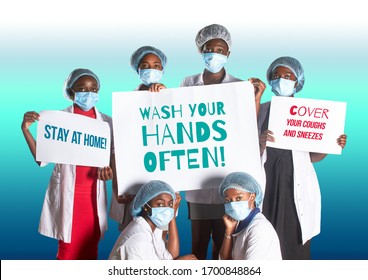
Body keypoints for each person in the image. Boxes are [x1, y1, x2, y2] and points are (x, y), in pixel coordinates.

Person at [180, 23, 266, 260]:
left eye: (220, 49)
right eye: (209, 48)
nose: (214, 53)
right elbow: (176, 122)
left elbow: (247, 126)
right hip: (196, 182)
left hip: (226, 181)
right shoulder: (187, 83)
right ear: (201, 50)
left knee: (222, 241)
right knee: (197, 242)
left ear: (228, 54)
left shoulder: (239, 86)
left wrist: (256, 99)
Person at [258, 56, 348, 259]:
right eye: (276, 75)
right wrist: (259, 141)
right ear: (270, 80)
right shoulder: (260, 111)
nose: (282, 79)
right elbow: (246, 151)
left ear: (297, 82)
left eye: (288, 75)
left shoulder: (308, 114)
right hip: (267, 184)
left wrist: (331, 143)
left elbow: (313, 157)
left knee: (295, 242)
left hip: (294, 187)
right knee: (264, 241)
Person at [21, 68, 115, 260]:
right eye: (82, 88)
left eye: (94, 89)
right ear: (71, 92)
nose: (89, 94)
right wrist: (25, 130)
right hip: (70, 195)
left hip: (93, 195)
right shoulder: (58, 120)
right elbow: (41, 158)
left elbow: (112, 159)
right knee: (68, 249)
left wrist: (110, 173)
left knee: (91, 247)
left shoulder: (107, 122)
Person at [109, 46, 169, 232]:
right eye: (145, 65)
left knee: (159, 237)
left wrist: (166, 98)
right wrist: (117, 186)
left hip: (161, 181)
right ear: (138, 70)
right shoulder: (125, 104)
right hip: (132, 182)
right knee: (131, 231)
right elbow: (116, 149)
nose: (151, 69)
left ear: (163, 70)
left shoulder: (170, 99)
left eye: (156, 65)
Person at [108, 180, 197, 260]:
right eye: (160, 204)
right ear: (145, 205)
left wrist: (172, 214)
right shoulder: (138, 237)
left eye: (170, 204)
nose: (166, 210)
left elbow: (170, 256)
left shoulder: (155, 230)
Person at [218, 172, 282, 260]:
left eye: (238, 198)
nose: (233, 205)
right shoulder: (238, 224)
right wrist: (229, 231)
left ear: (252, 197)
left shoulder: (259, 228)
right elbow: (224, 261)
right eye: (228, 200)